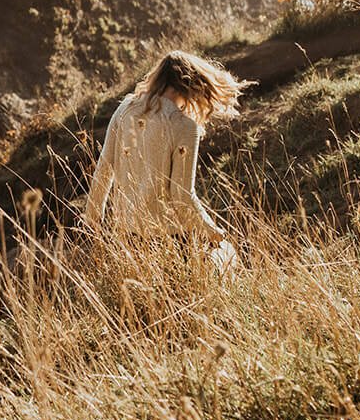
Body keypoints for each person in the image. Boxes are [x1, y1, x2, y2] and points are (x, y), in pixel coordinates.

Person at [84, 50, 244, 269]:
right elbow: (181, 196)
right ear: (192, 84)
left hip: (127, 237)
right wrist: (213, 232)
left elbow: (104, 168)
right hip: (172, 240)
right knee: (228, 258)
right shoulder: (184, 126)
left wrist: (92, 220)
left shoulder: (125, 109)